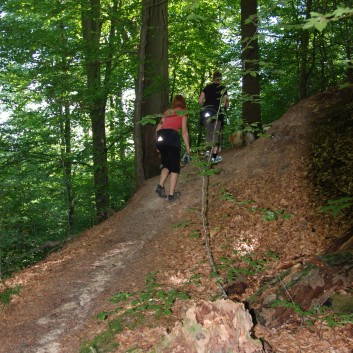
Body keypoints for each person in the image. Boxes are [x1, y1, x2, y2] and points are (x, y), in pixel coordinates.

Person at [155, 95, 191, 202]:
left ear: (174, 103)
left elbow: (158, 128)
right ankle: (171, 195)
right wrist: (188, 149)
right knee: (175, 168)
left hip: (161, 138)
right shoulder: (184, 113)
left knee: (166, 165)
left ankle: (160, 187)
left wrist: (157, 144)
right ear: (183, 103)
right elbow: (184, 132)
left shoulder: (167, 112)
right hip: (172, 138)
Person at [198, 70, 229, 163]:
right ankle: (214, 157)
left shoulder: (207, 87)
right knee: (216, 132)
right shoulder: (223, 88)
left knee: (209, 132)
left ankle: (208, 152)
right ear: (220, 78)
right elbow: (226, 104)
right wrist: (224, 106)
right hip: (217, 112)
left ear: (213, 78)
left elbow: (200, 101)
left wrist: (206, 106)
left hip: (206, 113)